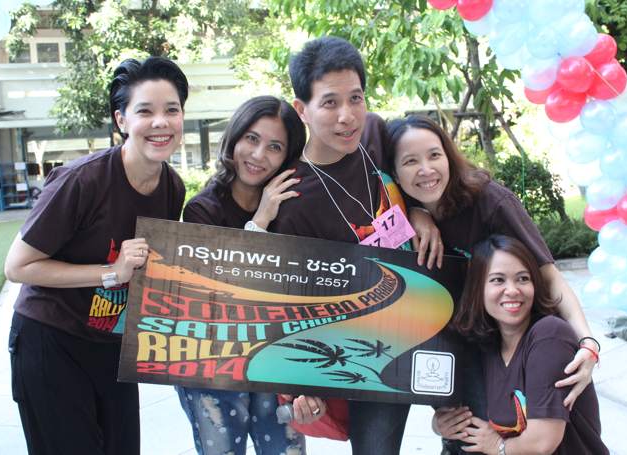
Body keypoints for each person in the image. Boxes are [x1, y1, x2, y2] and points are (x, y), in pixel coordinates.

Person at [3, 56, 187, 455]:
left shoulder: (172, 187)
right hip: (51, 339)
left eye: (172, 110)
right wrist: (111, 272)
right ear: (122, 120)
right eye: (145, 111)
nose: (161, 122)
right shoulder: (82, 181)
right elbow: (17, 266)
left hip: (111, 344)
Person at [386, 115, 600, 453]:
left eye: (434, 155)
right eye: (410, 161)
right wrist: (417, 213)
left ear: (449, 157)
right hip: (462, 342)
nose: (426, 169)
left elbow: (549, 277)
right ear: (395, 174)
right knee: (463, 433)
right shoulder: (399, 213)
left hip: (518, 340)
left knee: (517, 437)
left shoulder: (490, 201)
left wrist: (588, 343)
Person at [269, 36, 442, 455]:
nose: (347, 116)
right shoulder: (294, 198)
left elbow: (420, 171)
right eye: (330, 103)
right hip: (370, 352)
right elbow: (290, 303)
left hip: (434, 320)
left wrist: (420, 211)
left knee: (470, 429)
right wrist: (298, 387)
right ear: (302, 109)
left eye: (356, 98)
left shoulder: (376, 135)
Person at [175, 95, 322, 455]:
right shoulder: (202, 209)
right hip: (213, 363)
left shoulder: (295, 208)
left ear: (287, 157)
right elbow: (219, 293)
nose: (259, 155)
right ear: (235, 137)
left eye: (275, 147)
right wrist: (261, 219)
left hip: (274, 360)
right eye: (252, 139)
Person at [434, 235, 608, 454]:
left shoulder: (550, 336)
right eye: (498, 280)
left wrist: (498, 446)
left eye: (523, 279)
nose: (512, 290)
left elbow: (542, 442)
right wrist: (440, 425)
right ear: (478, 288)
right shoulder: (488, 346)